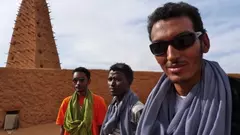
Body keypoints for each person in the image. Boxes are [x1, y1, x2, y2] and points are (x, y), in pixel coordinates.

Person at [136, 2, 240, 135]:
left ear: (205, 43)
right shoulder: (153, 106)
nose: (171, 56)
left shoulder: (234, 97)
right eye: (159, 47)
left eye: (183, 41)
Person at [56, 67, 107, 135]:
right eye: (75, 80)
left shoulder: (99, 101)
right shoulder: (66, 102)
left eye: (82, 80)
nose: (78, 83)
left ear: (88, 81)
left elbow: (101, 127)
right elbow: (63, 126)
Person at [100, 63, 144, 135]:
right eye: (110, 79)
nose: (112, 84)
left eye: (118, 79)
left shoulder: (137, 110)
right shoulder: (112, 107)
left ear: (129, 82)